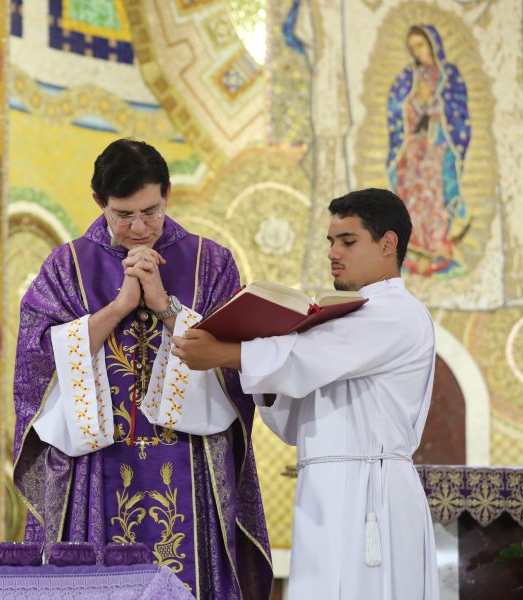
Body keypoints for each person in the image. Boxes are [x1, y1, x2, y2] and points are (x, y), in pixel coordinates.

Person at [12, 139, 273, 599]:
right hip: (95, 462)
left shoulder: (210, 262)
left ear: (168, 193)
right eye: (123, 214)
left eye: (150, 211)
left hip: (190, 459)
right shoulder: (66, 266)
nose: (139, 227)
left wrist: (163, 305)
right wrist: (118, 307)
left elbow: (237, 357)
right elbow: (35, 362)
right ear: (99, 203)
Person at [173, 188, 439, 600]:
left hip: (373, 492)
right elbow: (296, 420)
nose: (334, 252)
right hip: (323, 488)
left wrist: (227, 354)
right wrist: (262, 365)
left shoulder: (397, 313)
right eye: (331, 241)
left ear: (388, 244)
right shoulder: (345, 317)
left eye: (347, 241)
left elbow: (310, 358)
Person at [387, 24, 471, 278]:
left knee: (436, 198)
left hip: (438, 149)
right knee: (412, 198)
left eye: (421, 45)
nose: (418, 52)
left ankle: (438, 248)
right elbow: (395, 109)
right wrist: (412, 104)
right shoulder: (407, 77)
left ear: (433, 44)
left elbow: (458, 112)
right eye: (413, 48)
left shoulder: (450, 76)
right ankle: (412, 251)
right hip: (414, 150)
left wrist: (435, 109)